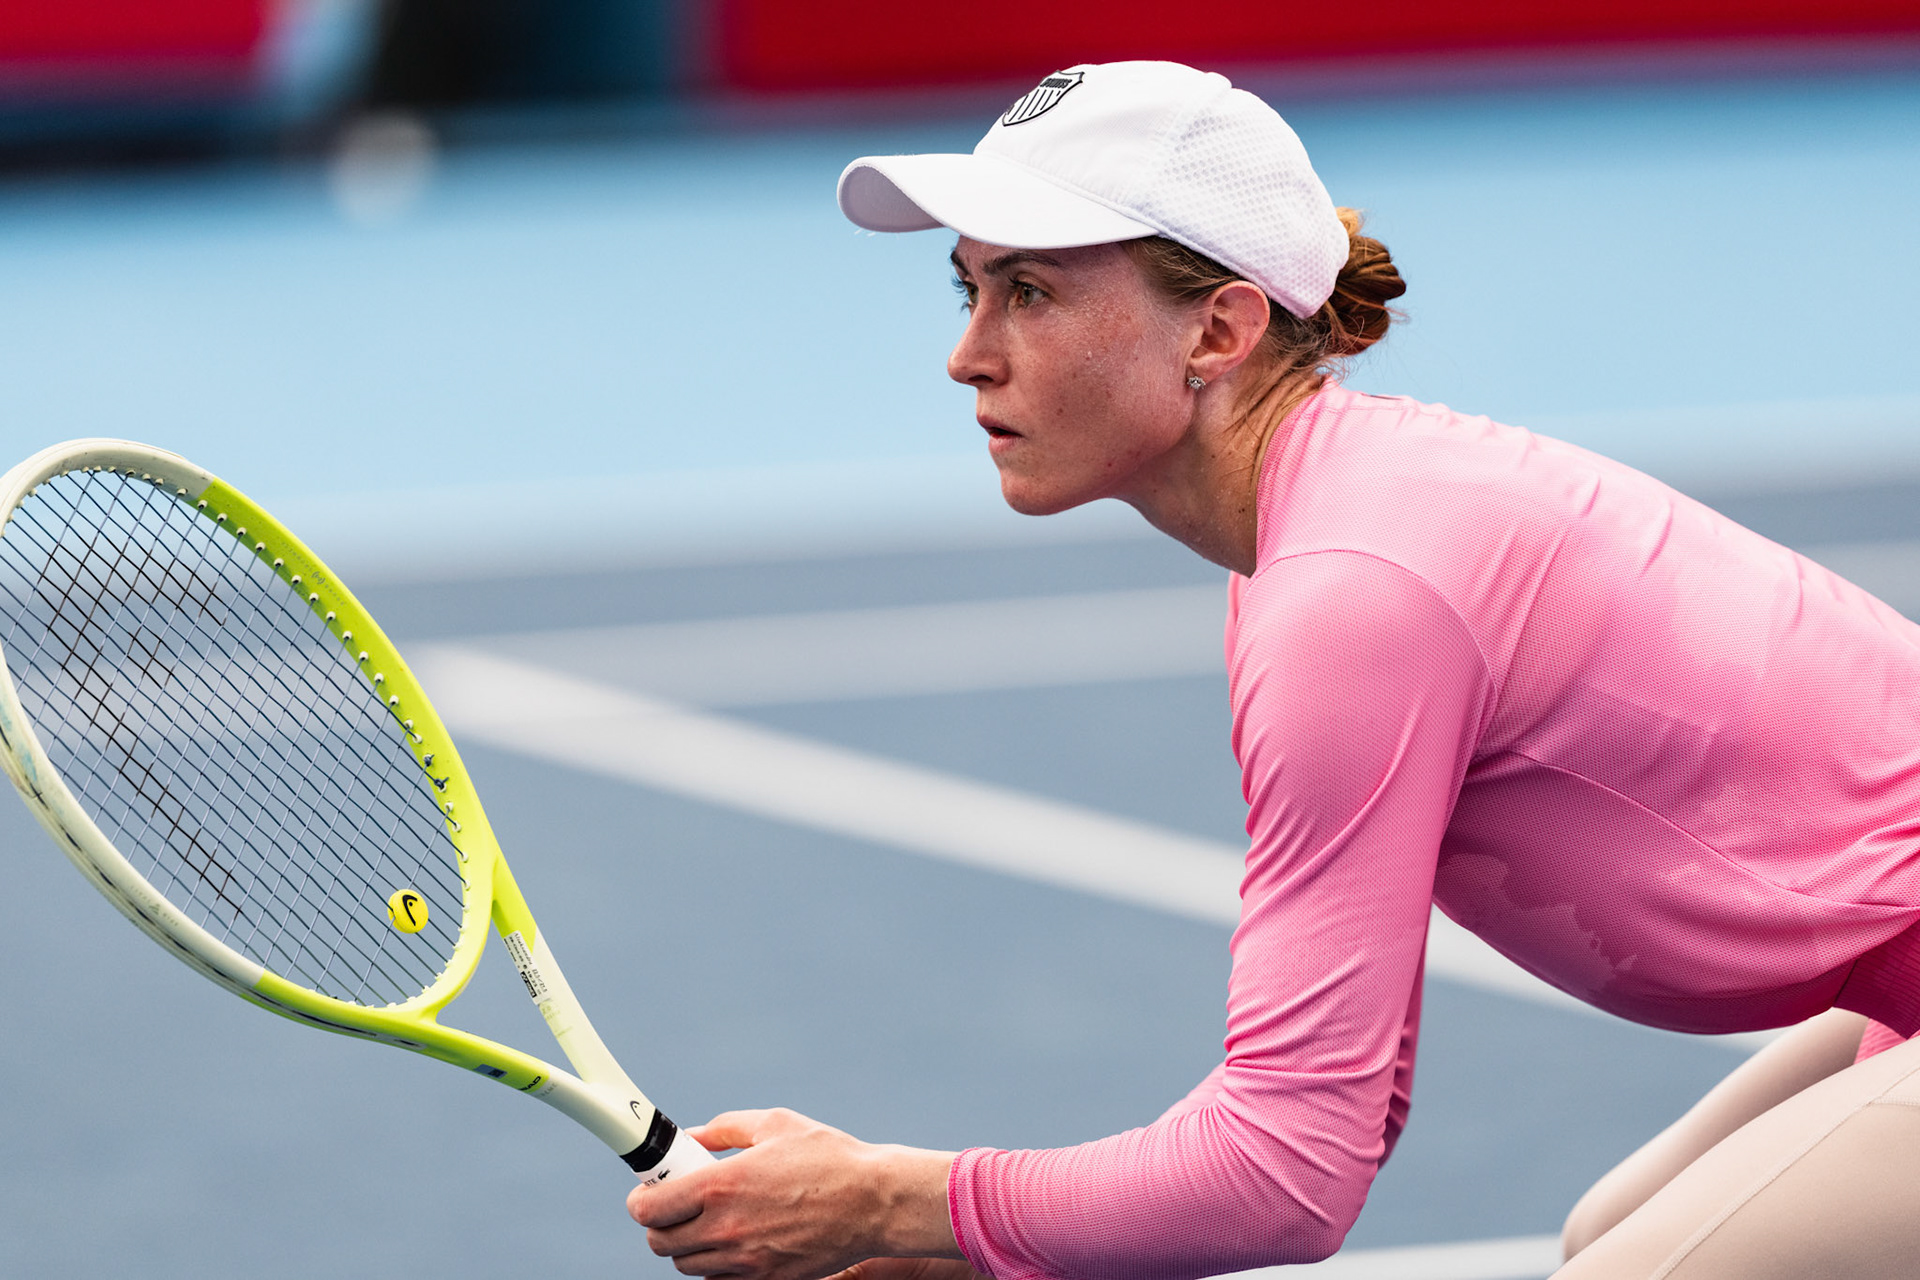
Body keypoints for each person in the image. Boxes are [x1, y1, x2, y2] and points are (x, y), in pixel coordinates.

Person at [627, 60, 1920, 1279]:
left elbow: (1288, 1173)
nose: (968, 353)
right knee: (1612, 1238)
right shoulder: (1321, 548)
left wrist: (896, 1200)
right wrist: (966, 1235)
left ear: (1221, 331)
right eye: (966, 291)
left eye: (1029, 292)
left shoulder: (1355, 595)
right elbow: (1331, 1122)